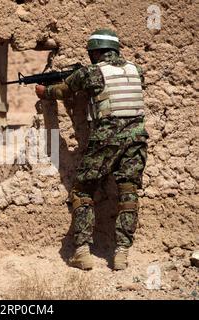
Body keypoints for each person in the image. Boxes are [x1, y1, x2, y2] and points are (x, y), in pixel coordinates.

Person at [35, 29, 149, 270]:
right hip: (137, 140)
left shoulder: (92, 72)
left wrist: (45, 92)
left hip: (106, 140)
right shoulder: (135, 70)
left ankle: (82, 252)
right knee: (128, 193)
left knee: (82, 189)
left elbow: (64, 90)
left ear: (96, 52)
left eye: (91, 53)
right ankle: (121, 254)